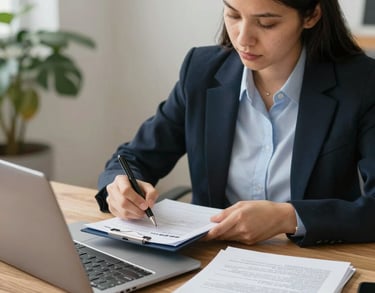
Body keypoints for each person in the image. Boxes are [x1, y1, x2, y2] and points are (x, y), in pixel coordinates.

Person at [95, 0, 375, 247]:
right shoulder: (201, 71)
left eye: (266, 23)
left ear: (311, 15)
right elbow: (134, 157)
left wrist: (289, 217)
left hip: (318, 259)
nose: (243, 38)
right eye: (233, 15)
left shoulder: (361, 84)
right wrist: (118, 189)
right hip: (210, 256)